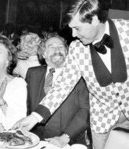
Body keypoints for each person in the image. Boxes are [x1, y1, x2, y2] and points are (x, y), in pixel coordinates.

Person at [13, 0, 129, 149]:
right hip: (102, 119)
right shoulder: (76, 48)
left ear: (94, 19)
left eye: (77, 28)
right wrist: (34, 118)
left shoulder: (126, 30)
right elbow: (63, 86)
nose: (73, 35)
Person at [26, 34, 89, 148]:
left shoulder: (80, 75)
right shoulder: (32, 73)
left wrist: (65, 138)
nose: (57, 49)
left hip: (69, 142)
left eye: (61, 46)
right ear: (43, 53)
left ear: (67, 52)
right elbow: (27, 106)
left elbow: (85, 111)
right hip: (36, 141)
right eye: (51, 46)